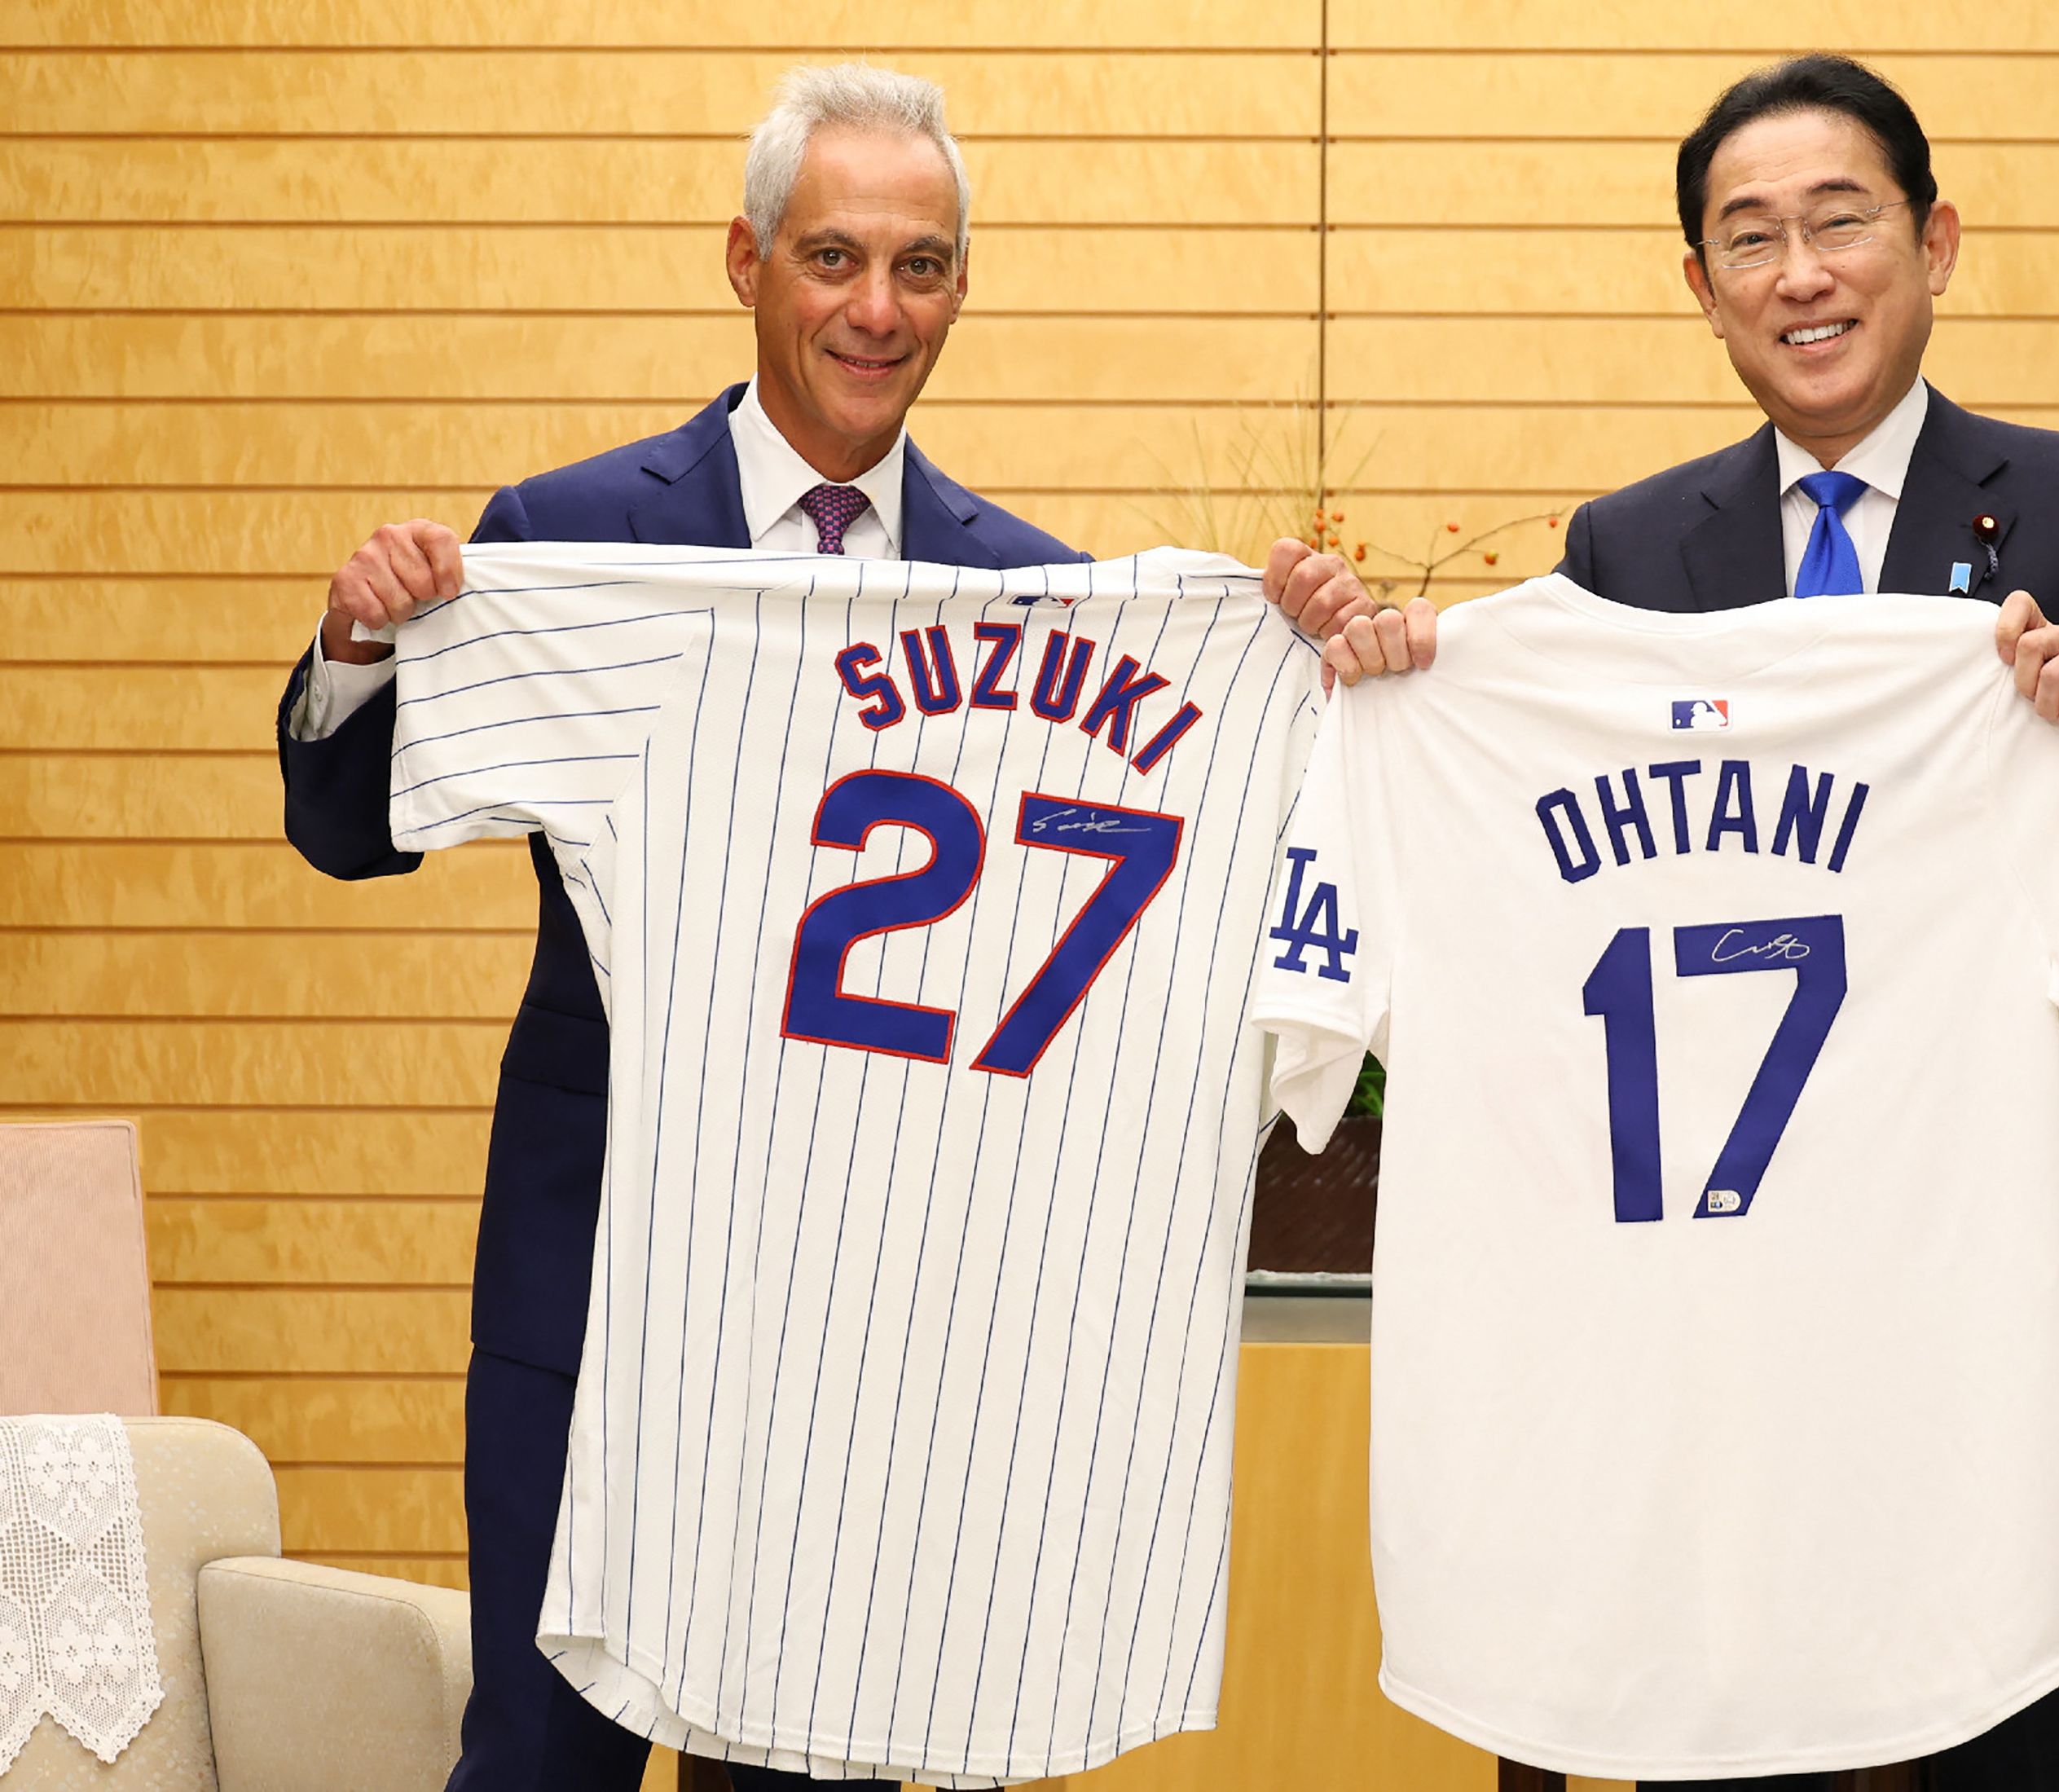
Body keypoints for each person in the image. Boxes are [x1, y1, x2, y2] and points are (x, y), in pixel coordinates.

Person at [279, 64, 1376, 1789]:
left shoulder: (1033, 596)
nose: (878, 309)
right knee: (541, 1762)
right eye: (836, 258)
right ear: (748, 259)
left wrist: (1312, 666)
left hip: (869, 1306)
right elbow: (345, 833)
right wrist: (359, 648)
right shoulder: (573, 541)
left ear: (961, 285)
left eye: (922, 266)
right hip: (602, 1283)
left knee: (834, 1761)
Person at [1313, 52, 2059, 1790]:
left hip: (1989, 1277)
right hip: (1711, 1292)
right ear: (1701, 288)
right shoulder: (1626, 546)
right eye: (1748, 239)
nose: (1800, 273)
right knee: (1730, 1729)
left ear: (1935, 241)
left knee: (2012, 1729)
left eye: (1841, 222)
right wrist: (1394, 681)